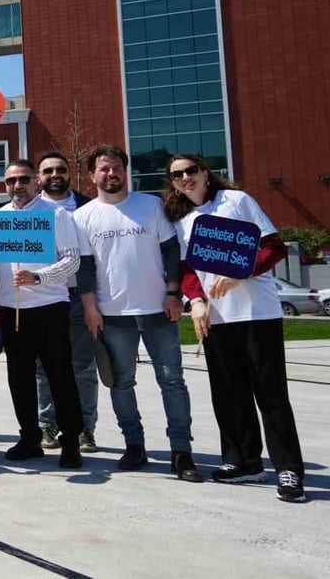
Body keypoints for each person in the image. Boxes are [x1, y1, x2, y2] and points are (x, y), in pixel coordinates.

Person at [164, 154, 305, 502]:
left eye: (190, 171)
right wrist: (194, 302)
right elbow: (186, 270)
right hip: (217, 318)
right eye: (177, 175)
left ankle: (288, 470)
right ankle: (244, 462)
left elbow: (273, 248)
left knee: (270, 395)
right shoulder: (183, 221)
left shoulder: (237, 202)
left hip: (257, 314)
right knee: (228, 394)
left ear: (205, 173)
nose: (185, 178)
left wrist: (242, 270)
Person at [73, 145, 202, 482]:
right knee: (121, 384)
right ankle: (134, 444)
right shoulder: (83, 216)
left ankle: (181, 451)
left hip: (160, 310)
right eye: (103, 169)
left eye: (116, 167)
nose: (111, 174)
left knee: (172, 381)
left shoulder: (151, 206)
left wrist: (174, 293)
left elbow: (171, 251)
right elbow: (84, 268)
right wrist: (90, 308)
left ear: (124, 171)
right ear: (91, 175)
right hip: (113, 315)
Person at [0, 152, 99, 453]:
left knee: (60, 375)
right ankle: (29, 437)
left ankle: (71, 440)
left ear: (35, 181)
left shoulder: (56, 215)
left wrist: (39, 277)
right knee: (19, 379)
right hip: (11, 309)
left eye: (23, 179)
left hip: (50, 308)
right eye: (10, 180)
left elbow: (72, 260)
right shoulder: (0, 217)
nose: (17, 185)